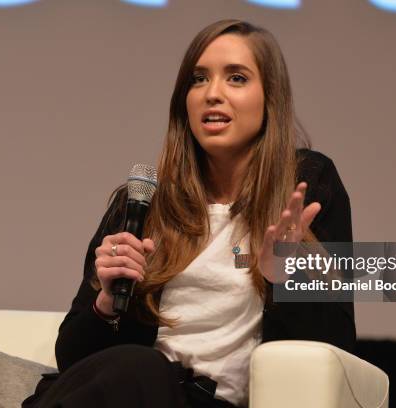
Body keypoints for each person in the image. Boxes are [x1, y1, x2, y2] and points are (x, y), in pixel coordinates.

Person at [23, 18, 355, 408]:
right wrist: (108, 304)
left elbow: (335, 353)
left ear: (270, 97)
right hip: (126, 391)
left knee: (143, 369)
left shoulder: (307, 187)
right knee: (139, 369)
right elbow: (74, 361)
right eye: (198, 79)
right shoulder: (143, 206)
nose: (212, 93)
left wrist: (286, 280)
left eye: (236, 78)